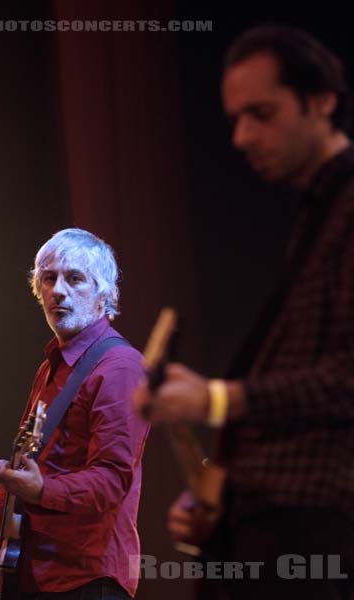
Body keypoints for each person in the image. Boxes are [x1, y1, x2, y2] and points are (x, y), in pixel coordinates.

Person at [135, 25, 354, 599]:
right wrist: (218, 495)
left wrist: (216, 399)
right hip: (276, 522)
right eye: (236, 118)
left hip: (315, 528)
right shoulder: (316, 211)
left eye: (261, 113)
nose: (240, 137)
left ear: (322, 101)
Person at [0, 228, 149, 599]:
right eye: (49, 279)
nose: (58, 290)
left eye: (74, 278)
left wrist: (43, 489)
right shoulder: (50, 367)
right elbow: (25, 465)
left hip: (87, 577)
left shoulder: (119, 366)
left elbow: (113, 480)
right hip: (34, 573)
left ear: (105, 295)